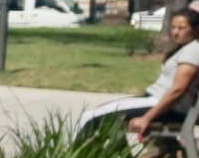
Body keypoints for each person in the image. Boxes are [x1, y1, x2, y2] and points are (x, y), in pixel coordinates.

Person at [78, 9, 199, 138]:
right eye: (173, 27)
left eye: (182, 28)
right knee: (100, 114)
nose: (175, 32)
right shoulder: (188, 47)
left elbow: (178, 90)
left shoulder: (194, 50)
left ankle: (76, 157)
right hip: (156, 101)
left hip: (165, 107)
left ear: (196, 29)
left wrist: (146, 118)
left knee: (90, 118)